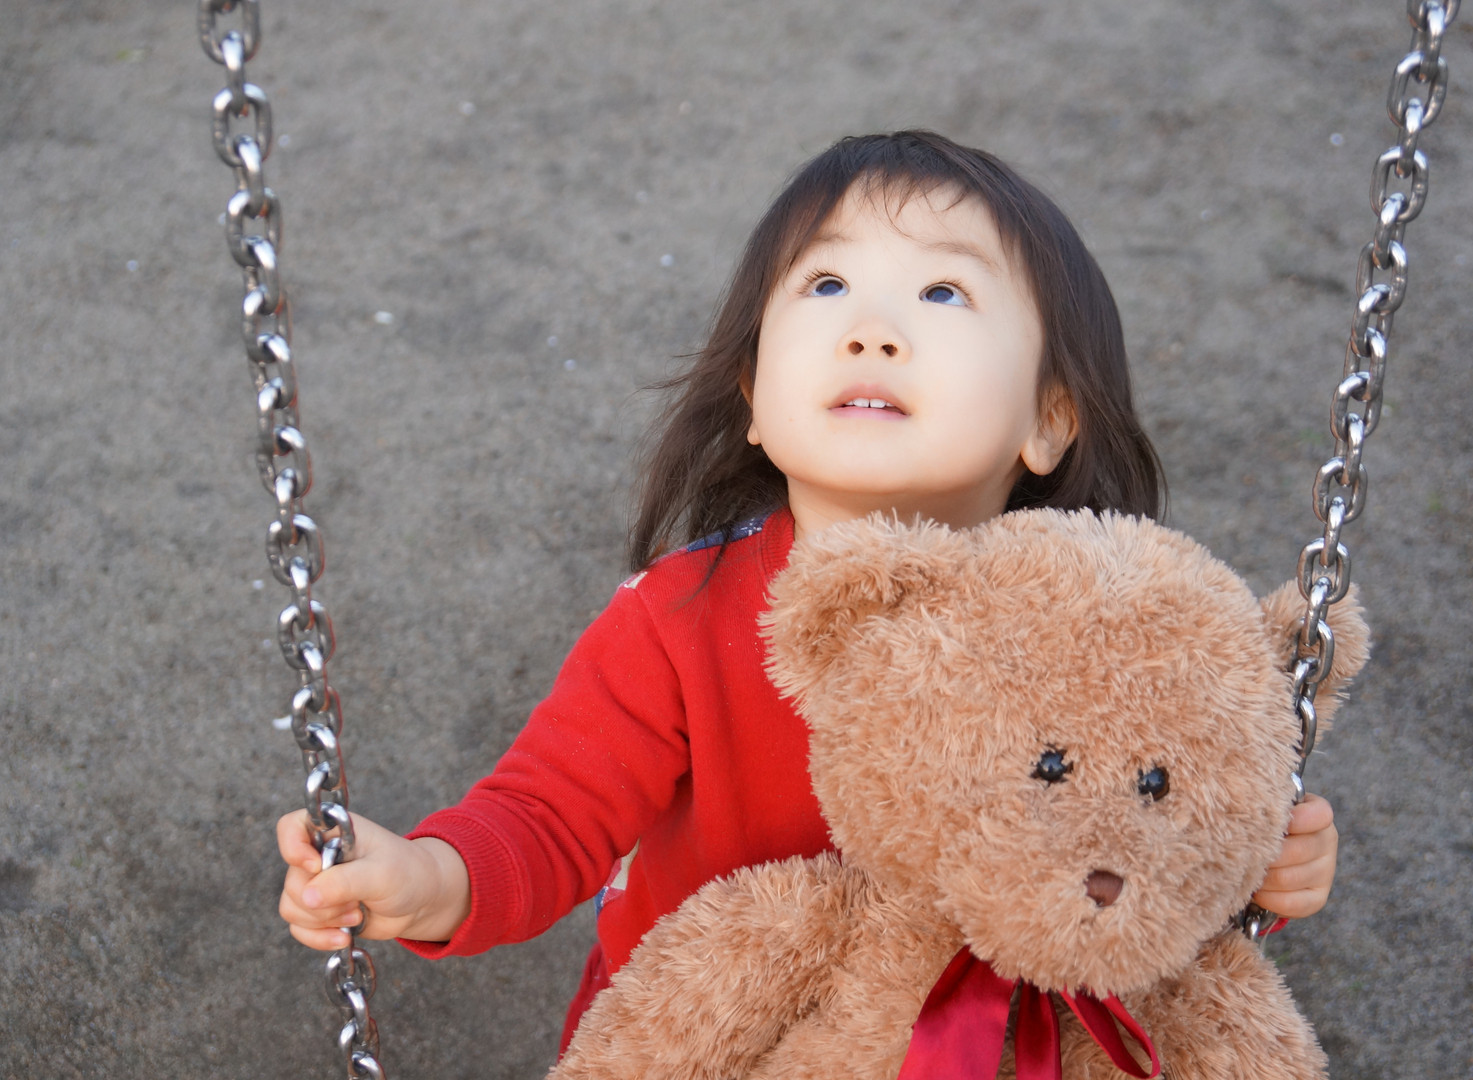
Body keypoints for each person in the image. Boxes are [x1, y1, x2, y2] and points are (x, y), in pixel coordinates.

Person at [276, 130, 1340, 1050]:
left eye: (942, 292)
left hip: (980, 1036)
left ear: (1049, 418)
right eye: (826, 285)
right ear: (751, 397)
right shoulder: (675, 620)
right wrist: (429, 877)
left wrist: (1260, 873)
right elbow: (548, 817)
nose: (869, 327)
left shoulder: (1098, 632)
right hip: (710, 1029)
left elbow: (1151, 821)